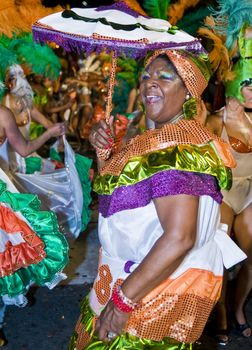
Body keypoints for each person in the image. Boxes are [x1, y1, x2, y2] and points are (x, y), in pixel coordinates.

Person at [68, 45, 246, 350]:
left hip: (147, 298)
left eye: (164, 77)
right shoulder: (161, 141)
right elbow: (122, 206)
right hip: (124, 280)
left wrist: (122, 303)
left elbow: (179, 237)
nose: (149, 83)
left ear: (189, 92)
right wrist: (105, 155)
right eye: (146, 76)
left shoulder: (178, 151)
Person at [205, 23, 252, 343]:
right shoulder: (215, 118)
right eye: (247, 82)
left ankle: (237, 309)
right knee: (219, 255)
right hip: (223, 192)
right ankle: (219, 312)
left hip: (250, 193)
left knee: (251, 257)